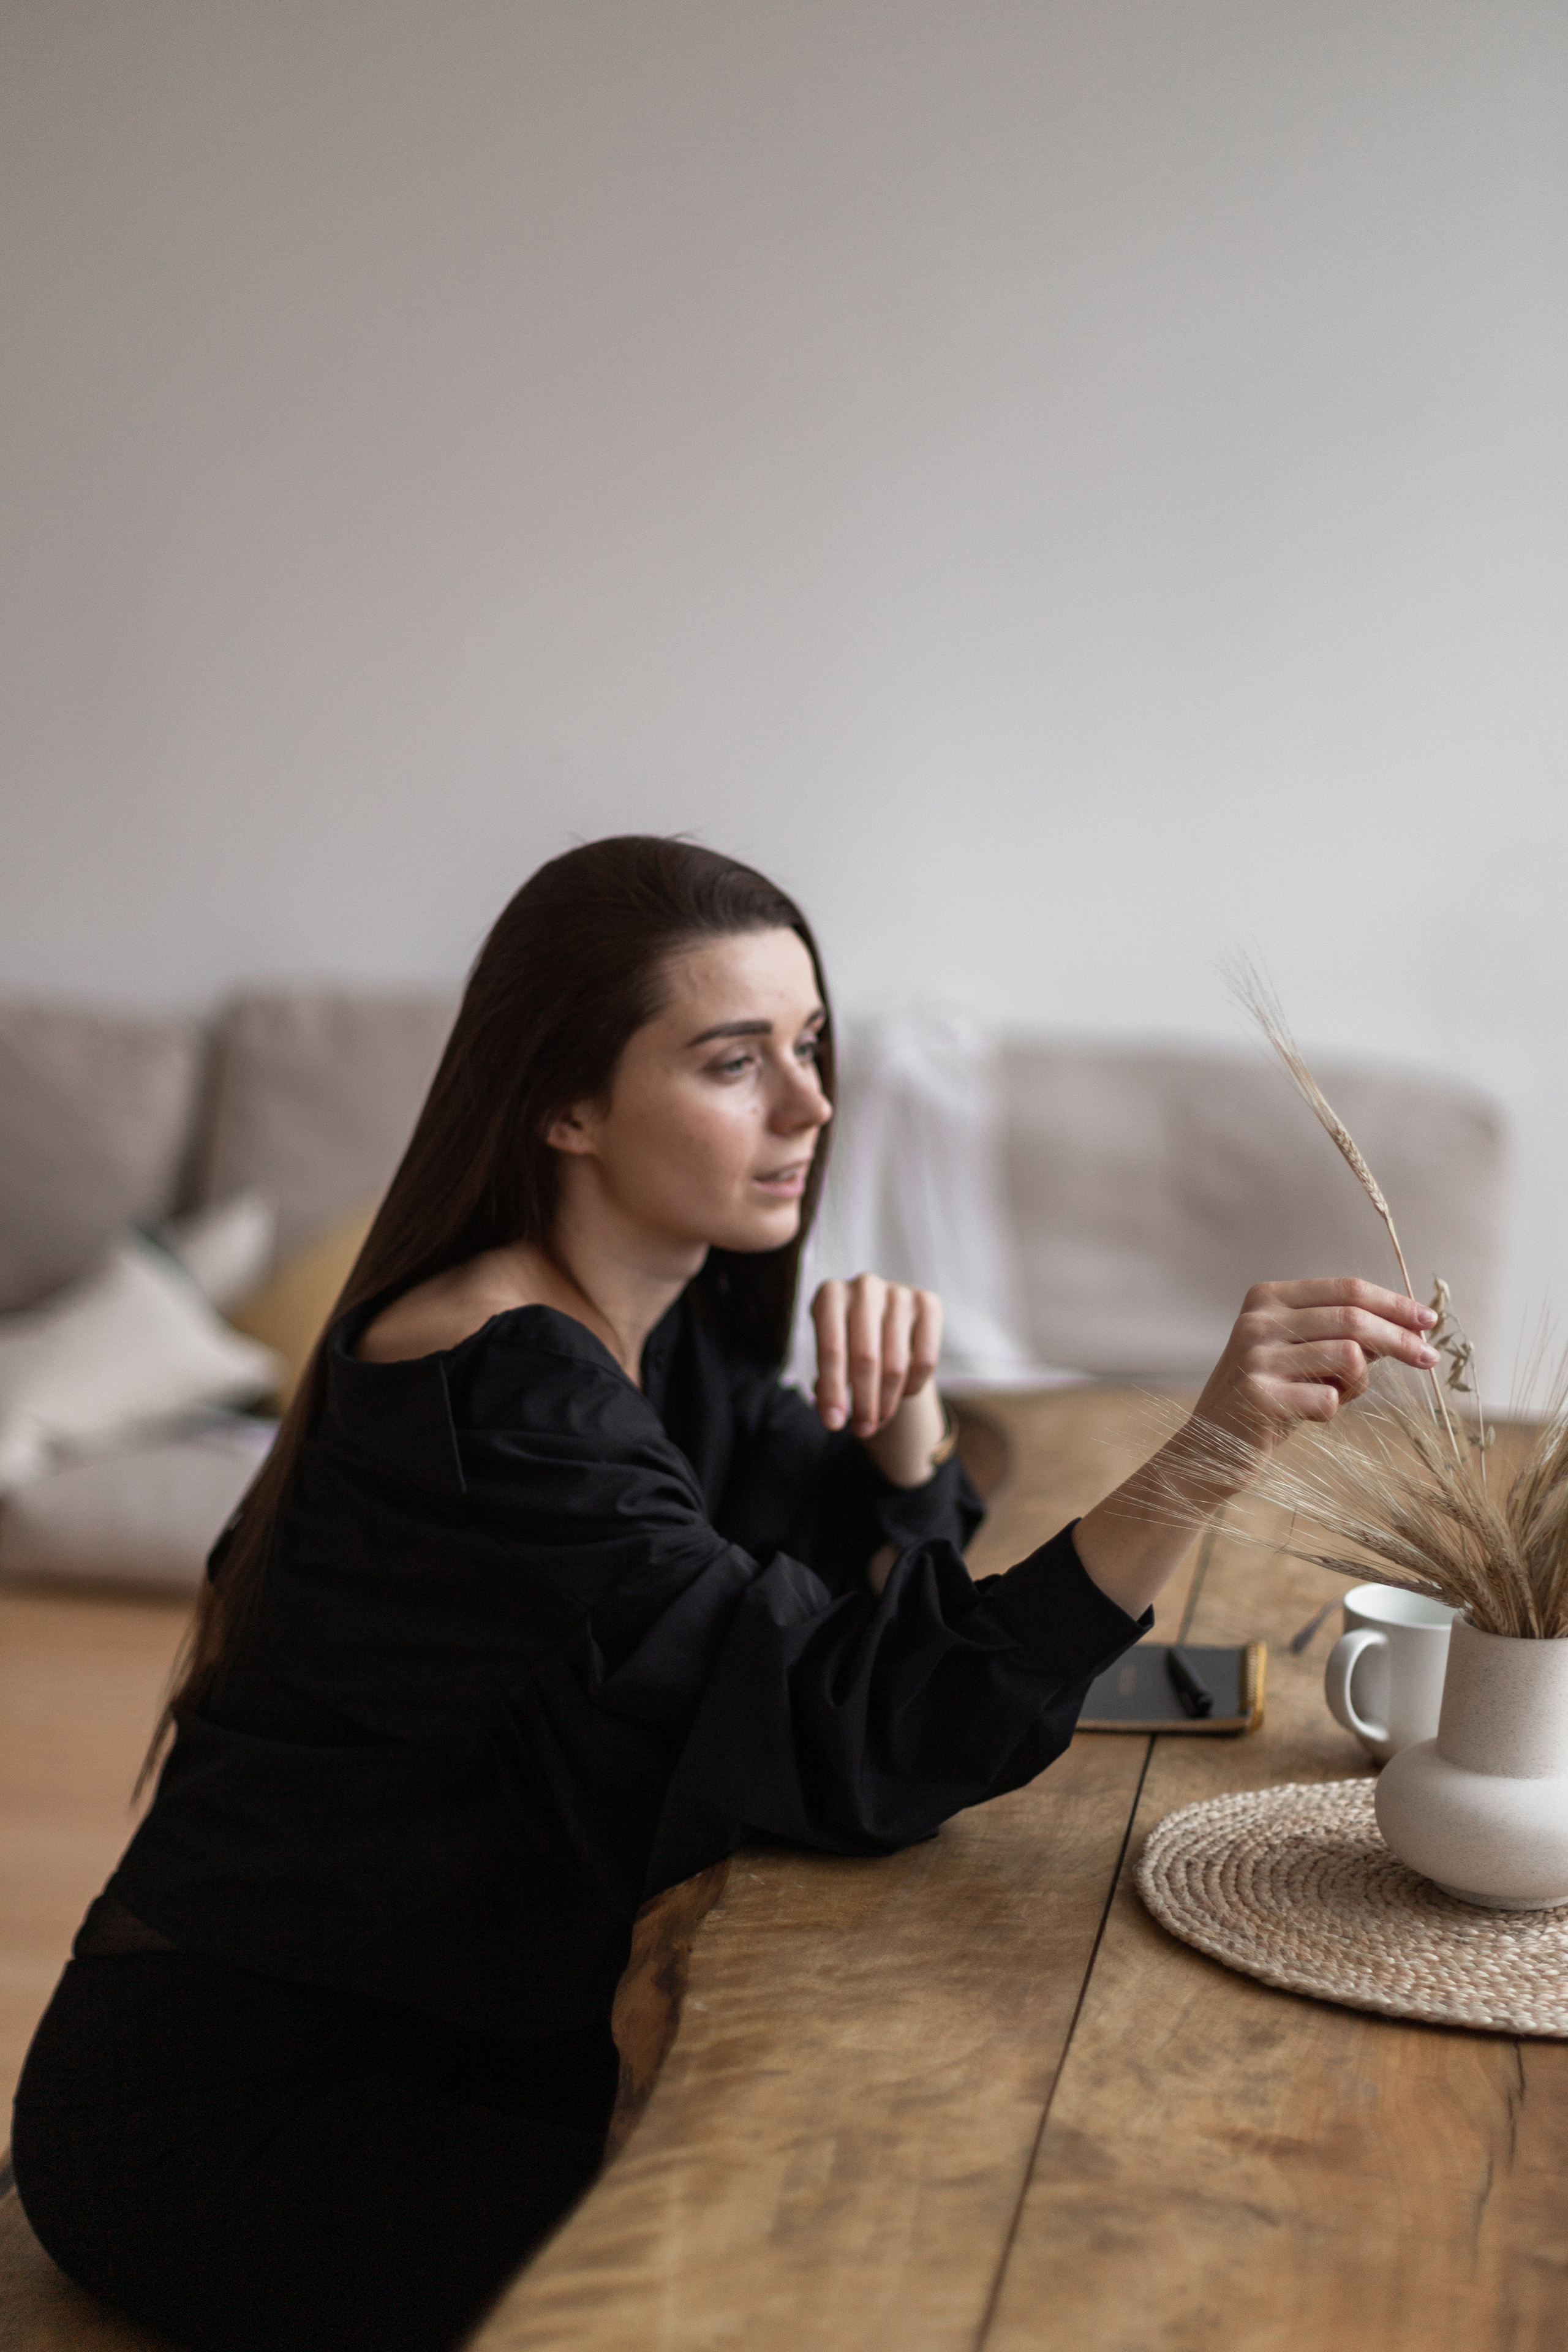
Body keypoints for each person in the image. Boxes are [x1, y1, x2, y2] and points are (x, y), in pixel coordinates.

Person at [9, 838, 1441, 2352]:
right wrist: (1203, 1457)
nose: (811, 1104)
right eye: (731, 1060)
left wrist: (906, 1435)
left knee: (963, 2164)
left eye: (811, 1047)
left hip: (472, 2034)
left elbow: (852, 1611)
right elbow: (859, 1730)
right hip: (248, 2116)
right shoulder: (496, 1398)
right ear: (564, 1105)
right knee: (870, 2263)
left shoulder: (657, 1319)